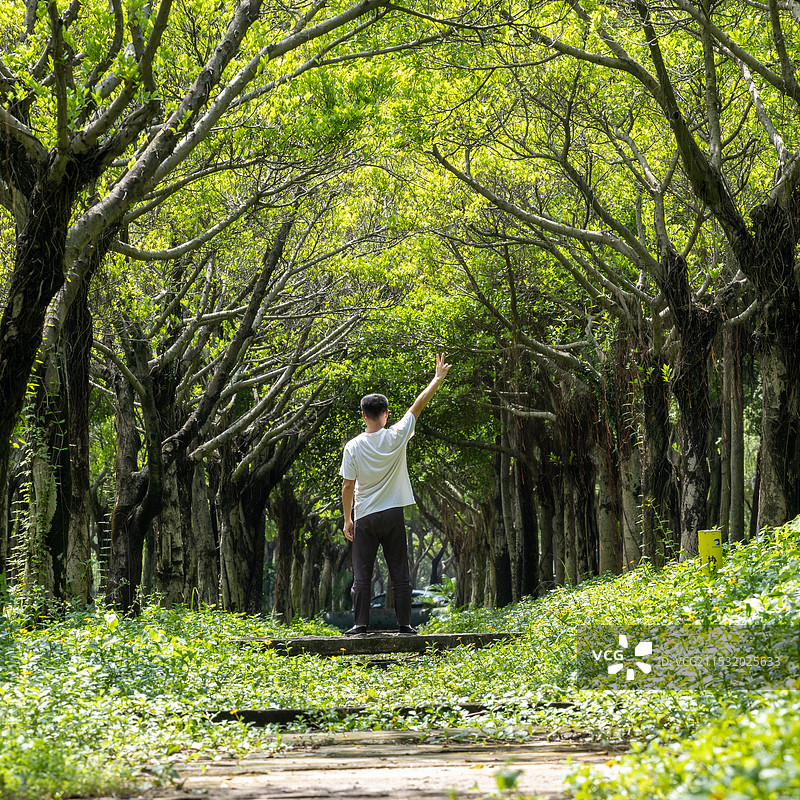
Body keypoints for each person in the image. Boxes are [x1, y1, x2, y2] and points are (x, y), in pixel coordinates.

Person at [340, 353, 452, 635]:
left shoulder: (353, 446)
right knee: (399, 572)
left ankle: (360, 624)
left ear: (364, 415)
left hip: (364, 515)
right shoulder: (397, 435)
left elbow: (347, 486)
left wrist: (347, 519)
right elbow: (417, 405)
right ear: (386, 414)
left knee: (362, 573)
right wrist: (436, 379)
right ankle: (405, 625)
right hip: (392, 514)